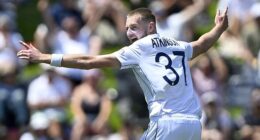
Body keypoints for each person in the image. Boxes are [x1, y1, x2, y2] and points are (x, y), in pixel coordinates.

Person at [17, 7, 228, 140]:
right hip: (193, 125)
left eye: (134, 27)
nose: (129, 34)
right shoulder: (178, 45)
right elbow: (201, 44)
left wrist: (44, 57)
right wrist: (218, 29)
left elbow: (89, 61)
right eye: (127, 28)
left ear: (151, 26)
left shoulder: (140, 48)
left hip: (167, 122)